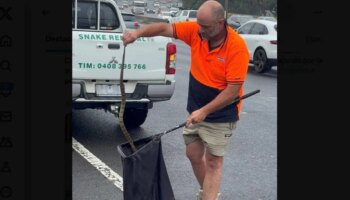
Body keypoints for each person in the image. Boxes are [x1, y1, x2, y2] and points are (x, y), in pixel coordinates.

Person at [123, 1, 249, 199]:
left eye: (205, 27)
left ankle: (209, 195)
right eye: (199, 24)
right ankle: (209, 193)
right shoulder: (196, 32)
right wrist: (137, 34)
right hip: (196, 109)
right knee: (192, 154)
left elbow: (232, 90)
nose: (200, 30)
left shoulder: (236, 47)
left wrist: (205, 111)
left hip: (222, 113)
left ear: (220, 23)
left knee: (214, 161)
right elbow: (164, 28)